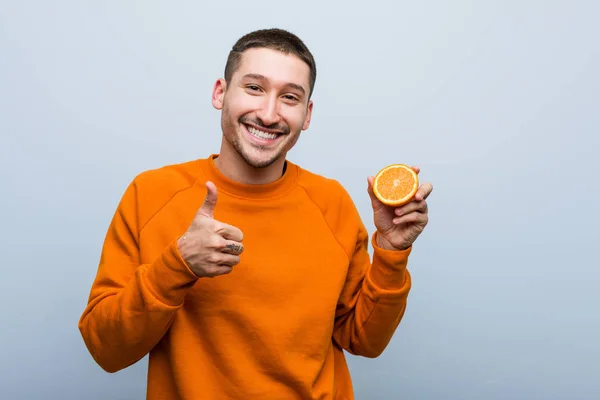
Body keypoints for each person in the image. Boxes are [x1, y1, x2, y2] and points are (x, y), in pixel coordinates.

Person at [78, 27, 433, 400]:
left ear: (307, 114)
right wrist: (177, 265)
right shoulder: (151, 194)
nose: (268, 113)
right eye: (254, 88)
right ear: (220, 92)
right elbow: (106, 350)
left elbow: (364, 340)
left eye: (290, 97)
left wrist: (391, 254)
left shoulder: (332, 202)